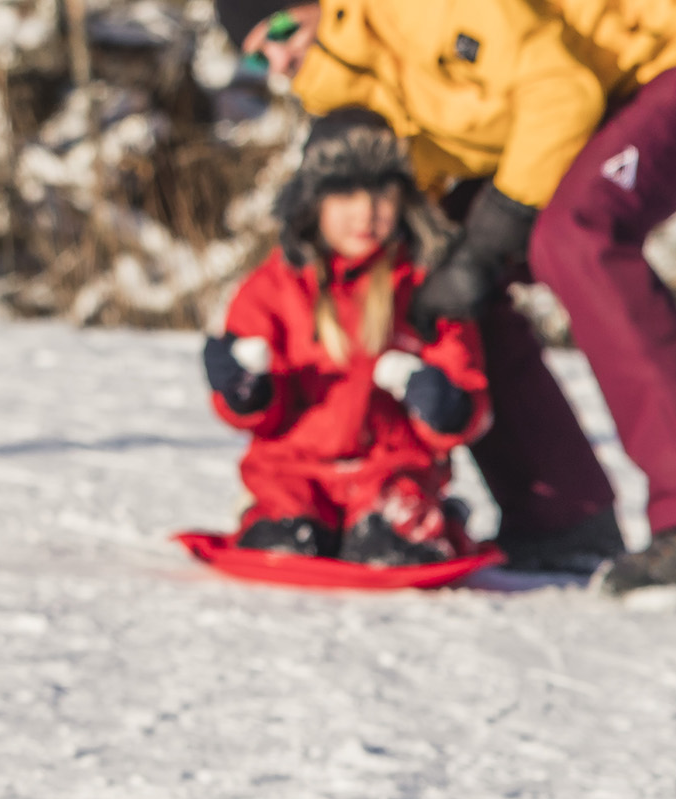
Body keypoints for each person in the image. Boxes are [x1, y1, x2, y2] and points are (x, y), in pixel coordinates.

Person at [208, 0, 676, 598]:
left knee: (576, 237)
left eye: (275, 33)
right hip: (596, 108)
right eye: (254, 58)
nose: (275, 62)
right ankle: (561, 516)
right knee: (439, 272)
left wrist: (492, 235)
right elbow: (404, 202)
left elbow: (559, 93)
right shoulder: (343, 80)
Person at [201, 110, 493, 563]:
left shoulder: (427, 287)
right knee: (283, 541)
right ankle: (286, 520)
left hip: (392, 469)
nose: (366, 211)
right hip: (292, 469)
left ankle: (430, 520)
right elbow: (259, 412)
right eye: (345, 193)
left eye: (381, 192)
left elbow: (467, 392)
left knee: (392, 543)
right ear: (313, 201)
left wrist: (446, 407)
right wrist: (245, 392)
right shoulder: (275, 286)